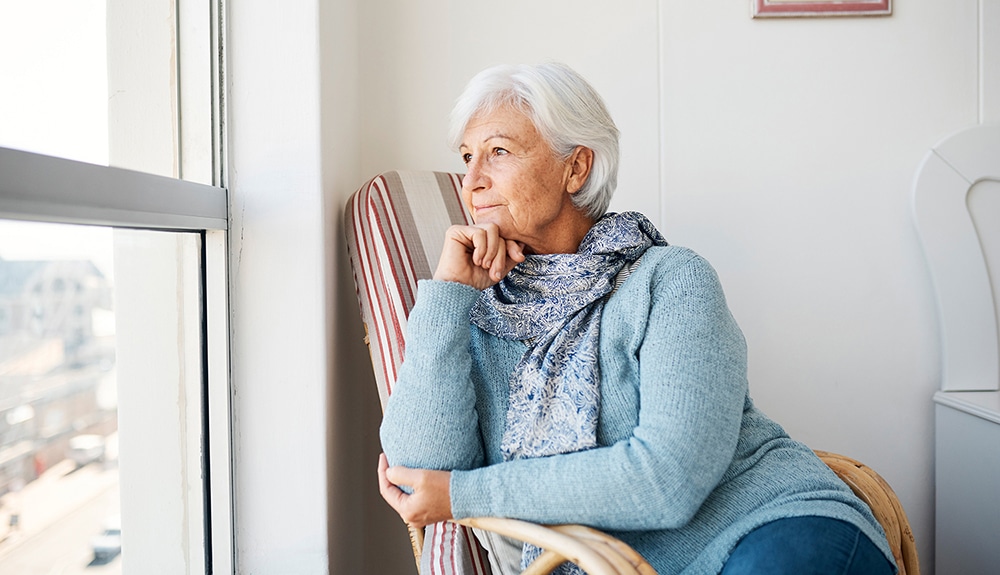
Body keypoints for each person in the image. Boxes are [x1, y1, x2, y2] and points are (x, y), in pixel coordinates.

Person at [377, 62, 897, 575]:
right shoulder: (476, 312)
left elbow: (667, 479)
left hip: (775, 534)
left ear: (575, 168)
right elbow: (420, 473)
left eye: (498, 152)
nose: (471, 182)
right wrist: (446, 296)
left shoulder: (670, 280)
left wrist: (464, 495)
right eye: (467, 158)